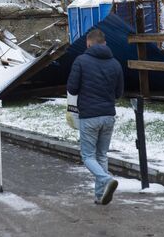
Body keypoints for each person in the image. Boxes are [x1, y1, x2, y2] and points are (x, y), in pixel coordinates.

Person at [67, 28, 124, 205]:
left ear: (88, 43)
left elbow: (72, 88)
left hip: (89, 116)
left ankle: (106, 179)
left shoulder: (81, 61)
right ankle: (100, 196)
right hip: (108, 116)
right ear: (105, 43)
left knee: (88, 157)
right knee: (102, 156)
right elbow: (119, 93)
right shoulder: (115, 63)